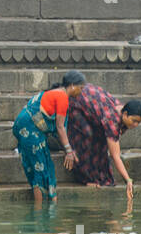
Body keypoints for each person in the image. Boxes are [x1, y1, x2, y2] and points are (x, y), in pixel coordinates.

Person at [11, 70, 85, 202]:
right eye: (81, 88)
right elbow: (60, 127)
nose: (81, 91)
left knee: (41, 166)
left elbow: (57, 132)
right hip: (30, 128)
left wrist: (68, 149)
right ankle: (40, 214)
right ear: (73, 85)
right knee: (40, 169)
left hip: (24, 127)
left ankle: (47, 208)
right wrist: (68, 151)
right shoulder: (62, 97)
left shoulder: (54, 93)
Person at [66, 85, 141, 200]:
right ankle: (85, 177)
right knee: (88, 141)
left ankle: (98, 176)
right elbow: (115, 156)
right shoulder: (112, 120)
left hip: (86, 96)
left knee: (102, 141)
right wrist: (128, 180)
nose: (135, 125)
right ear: (125, 114)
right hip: (75, 103)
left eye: (138, 122)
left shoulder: (120, 109)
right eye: (134, 121)